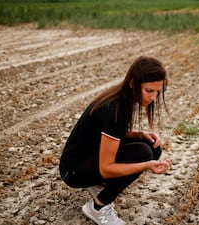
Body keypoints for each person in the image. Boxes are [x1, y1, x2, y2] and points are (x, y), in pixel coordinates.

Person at [59, 56, 170, 225]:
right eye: (149, 91)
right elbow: (106, 168)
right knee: (144, 154)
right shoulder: (115, 109)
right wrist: (146, 165)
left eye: (157, 92)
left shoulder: (121, 97)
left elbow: (110, 135)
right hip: (73, 171)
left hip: (90, 156)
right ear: (133, 83)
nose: (153, 97)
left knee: (153, 148)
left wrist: (140, 134)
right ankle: (98, 207)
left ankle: (99, 184)